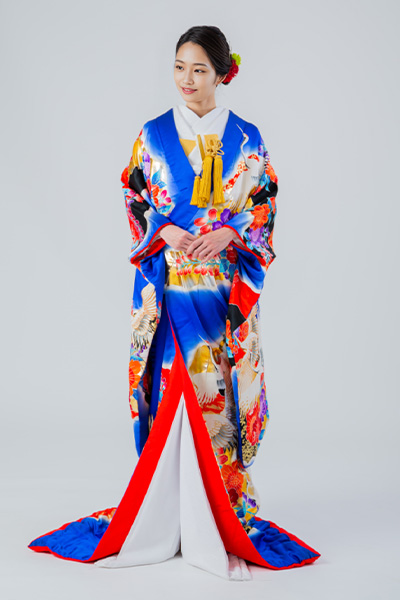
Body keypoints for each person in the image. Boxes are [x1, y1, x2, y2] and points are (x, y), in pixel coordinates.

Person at [27, 25, 321, 581]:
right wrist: (162, 230)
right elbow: (134, 192)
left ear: (222, 73)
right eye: (180, 67)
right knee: (173, 390)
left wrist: (231, 232)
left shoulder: (248, 137)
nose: (187, 79)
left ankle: (216, 514)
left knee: (218, 393)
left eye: (199, 69)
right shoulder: (153, 133)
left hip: (222, 289)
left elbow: (264, 202)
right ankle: (168, 512)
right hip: (171, 285)